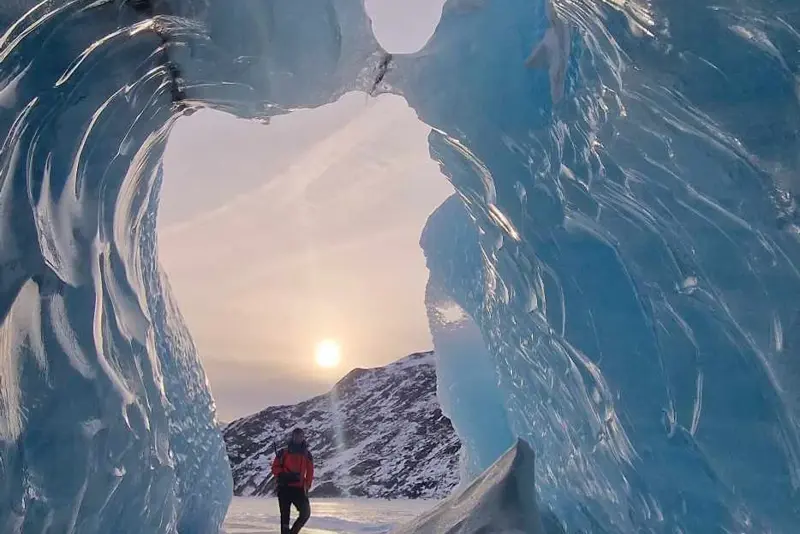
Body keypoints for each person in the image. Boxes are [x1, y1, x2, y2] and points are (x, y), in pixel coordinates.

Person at [271, 428, 314, 534]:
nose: (297, 438)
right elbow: (275, 467)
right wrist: (283, 475)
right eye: (295, 436)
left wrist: (307, 486)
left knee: (305, 513)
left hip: (299, 489)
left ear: (303, 438)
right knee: (285, 517)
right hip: (284, 488)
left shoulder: (307, 455)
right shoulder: (283, 452)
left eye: (300, 436)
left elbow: (310, 472)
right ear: (292, 437)